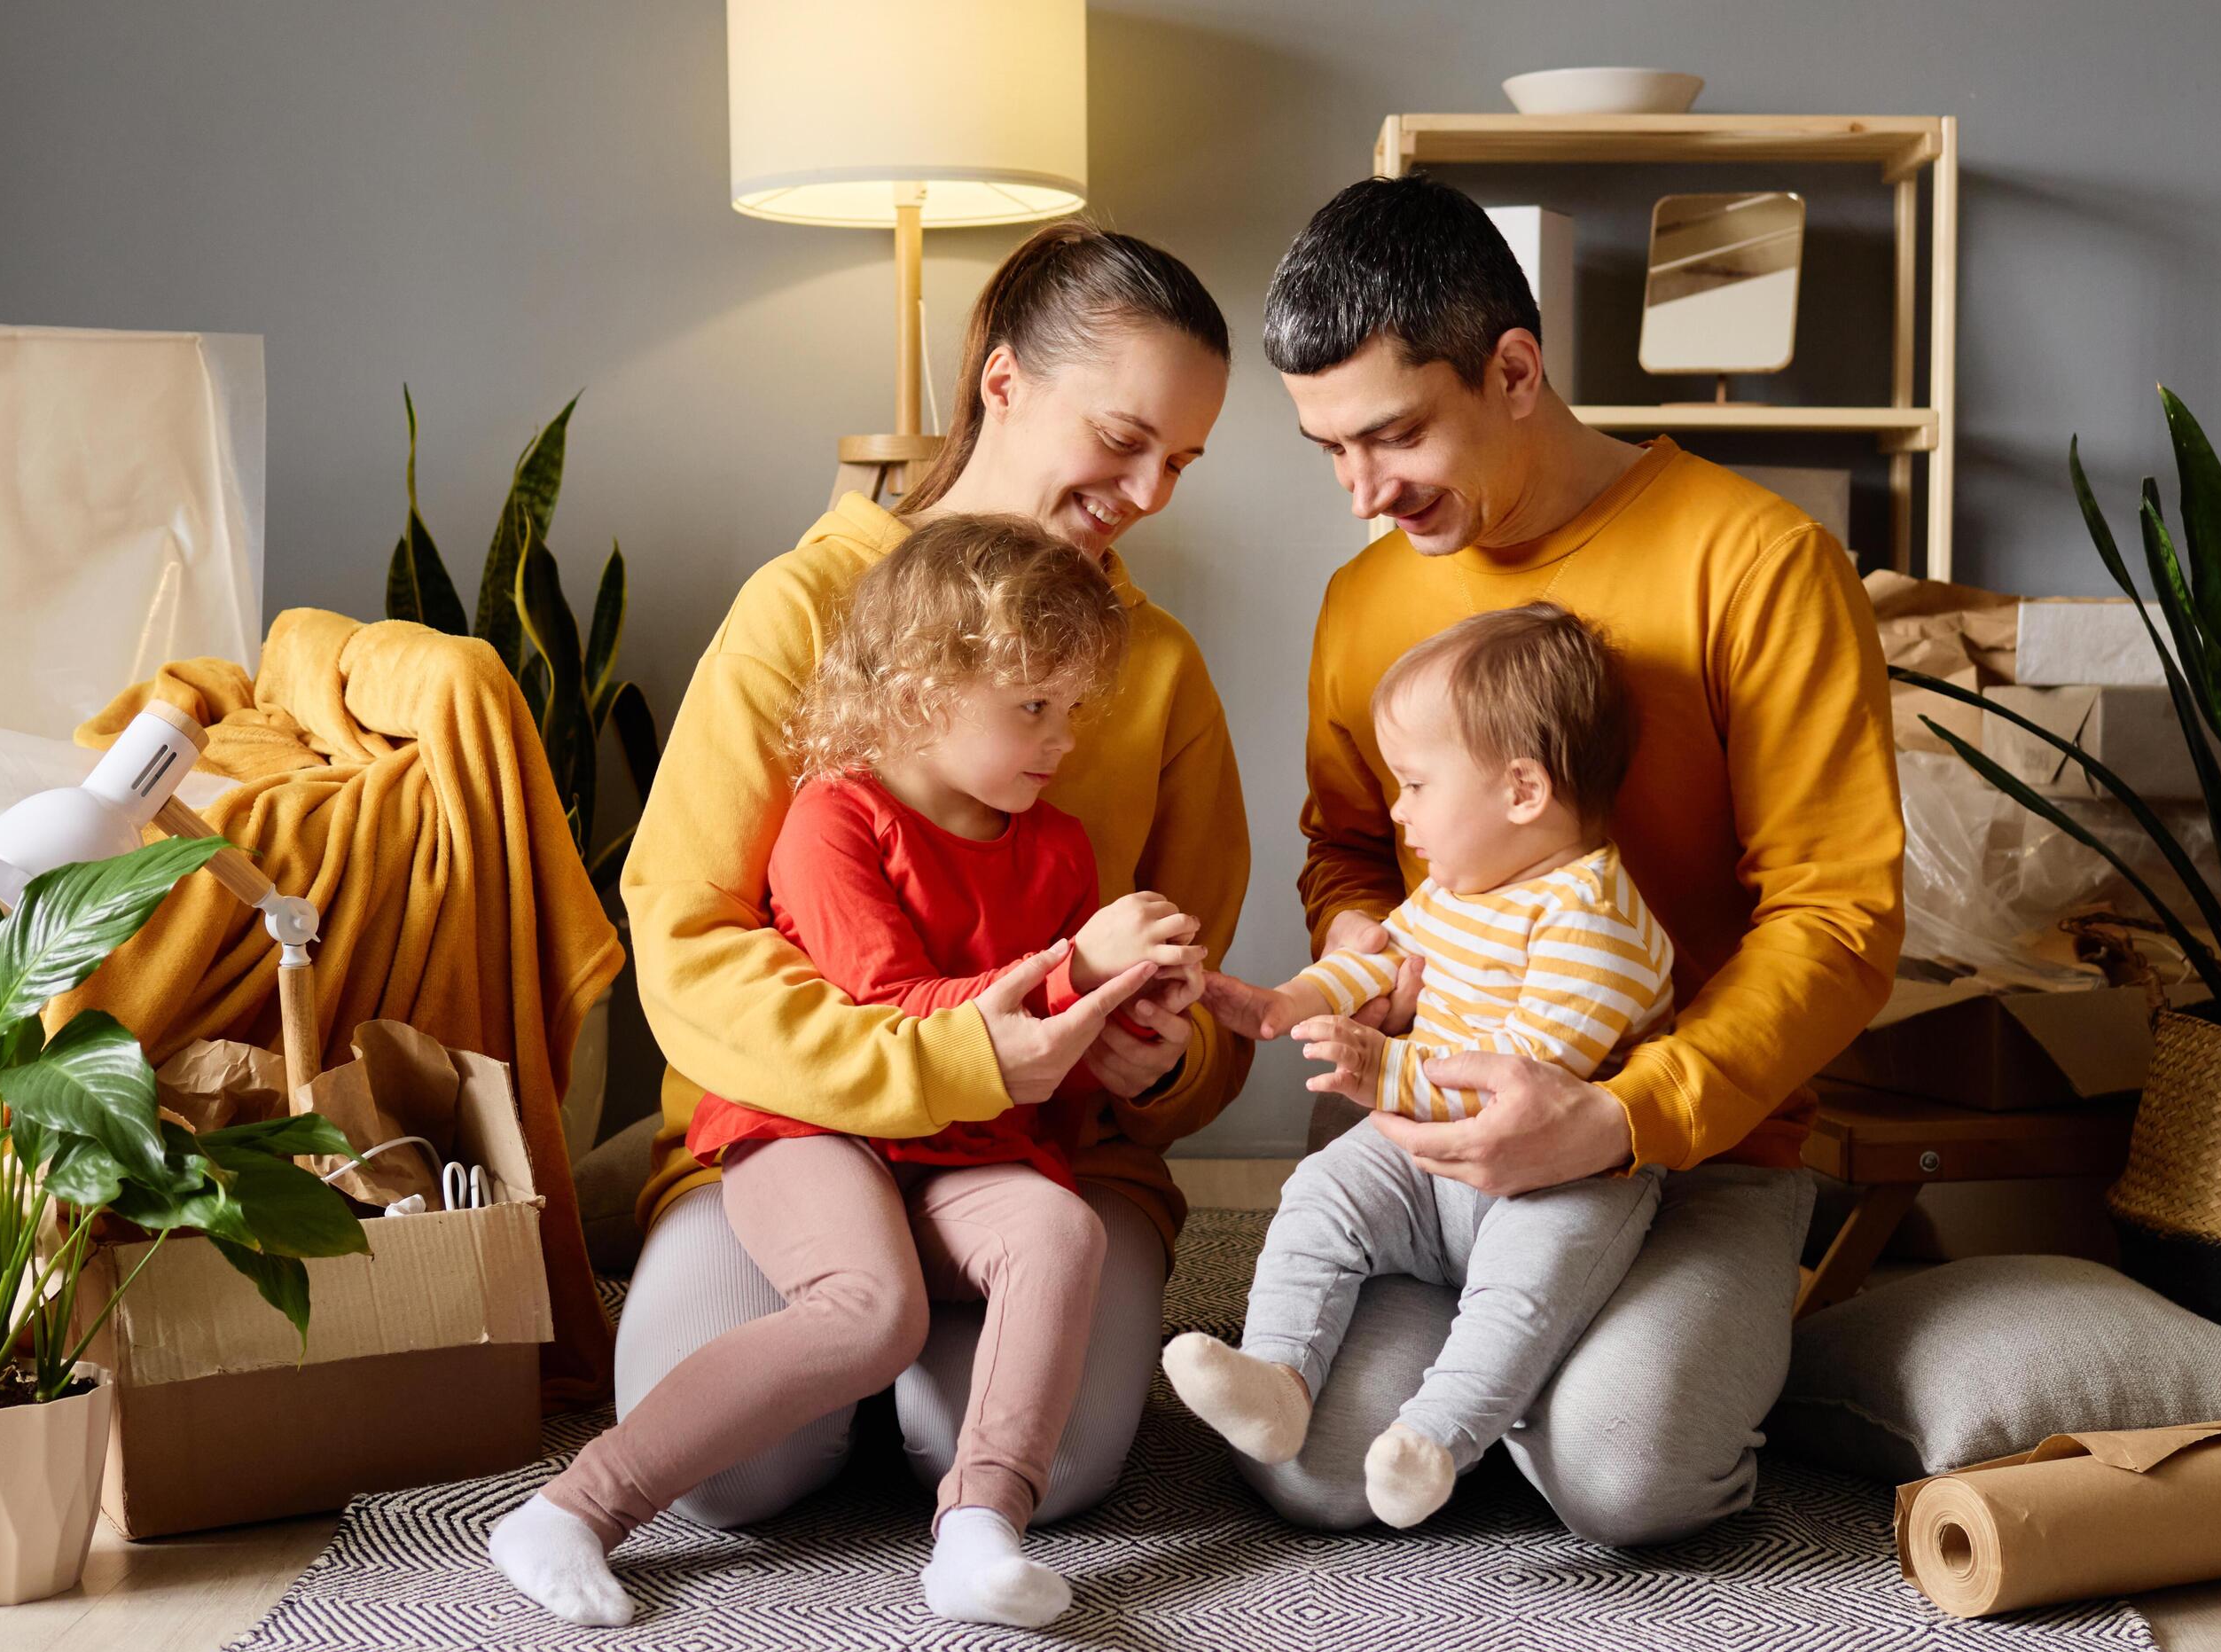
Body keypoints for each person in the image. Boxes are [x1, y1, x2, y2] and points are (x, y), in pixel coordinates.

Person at [1252, 173, 1904, 1545]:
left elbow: (1838, 922)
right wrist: (1358, 953)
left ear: (1513, 368)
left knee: (1632, 1482)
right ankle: (1526, 1372)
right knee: (1313, 1466)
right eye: (1331, 450)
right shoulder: (1367, 598)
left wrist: (1616, 1116)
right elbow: (1348, 854)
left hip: (1698, 1145)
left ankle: (1669, 1363)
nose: (1366, 493)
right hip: (1432, 1138)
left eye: (1395, 435)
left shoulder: (1763, 561)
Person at [602, 223, 1251, 1561]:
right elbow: (687, 936)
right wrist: (953, 1060)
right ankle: (851, 1357)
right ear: (1002, 385)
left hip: (1050, 1167)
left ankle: (923, 1404)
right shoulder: (799, 609)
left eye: (1179, 461)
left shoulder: (1163, 671)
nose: (1150, 491)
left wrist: (1158, 1061)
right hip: (797, 1138)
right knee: (730, 1482)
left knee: (1042, 1473)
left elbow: (1206, 1020)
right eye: (1124, 439)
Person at [496, 517, 1200, 1628]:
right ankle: (574, 1508)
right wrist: (1075, 969)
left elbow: (1044, 1068)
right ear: (920, 690)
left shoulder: (1058, 846)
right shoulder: (836, 819)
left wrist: (1128, 1028)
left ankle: (978, 1529)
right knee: (873, 1310)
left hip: (966, 1146)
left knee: (1062, 1232)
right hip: (815, 1128)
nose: (1061, 740)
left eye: (1072, 710)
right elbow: (888, 1012)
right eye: (1032, 708)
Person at [1163, 603, 1672, 1530]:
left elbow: (1522, 1079)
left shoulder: (1597, 920)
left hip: (1557, 1177)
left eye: (1416, 784)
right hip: (1428, 1152)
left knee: (1520, 1293)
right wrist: (1294, 1001)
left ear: (1522, 792)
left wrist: (1380, 1069)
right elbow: (1387, 960)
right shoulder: (1461, 887)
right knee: (1322, 1191)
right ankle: (1278, 1377)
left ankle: (1438, 1438)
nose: (1398, 811)